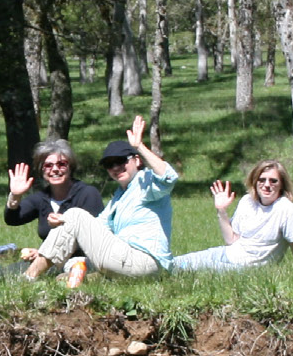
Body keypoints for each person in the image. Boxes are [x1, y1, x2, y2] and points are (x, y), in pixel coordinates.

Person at [22, 115, 178, 285]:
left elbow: (169, 177)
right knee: (71, 264)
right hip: (126, 262)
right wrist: (63, 223)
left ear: (137, 160)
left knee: (74, 214)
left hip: (144, 261)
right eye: (109, 165)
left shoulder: (146, 182)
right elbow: (96, 228)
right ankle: (84, 281)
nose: (116, 167)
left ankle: (27, 279)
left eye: (121, 161)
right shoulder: (119, 197)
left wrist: (139, 146)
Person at [172, 160, 293, 271]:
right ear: (255, 181)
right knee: (174, 263)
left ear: (281, 184)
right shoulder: (247, 201)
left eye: (273, 180)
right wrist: (221, 211)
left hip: (248, 268)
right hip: (228, 254)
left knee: (186, 269)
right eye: (262, 180)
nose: (267, 185)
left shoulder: (288, 211)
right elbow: (231, 239)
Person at [4, 139, 104, 241]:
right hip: (49, 256)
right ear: (41, 170)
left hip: (83, 256)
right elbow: (13, 219)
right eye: (48, 165)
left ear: (70, 167)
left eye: (61, 164)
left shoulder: (88, 193)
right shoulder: (42, 197)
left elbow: (95, 234)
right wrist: (15, 196)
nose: (55, 169)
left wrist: (65, 222)